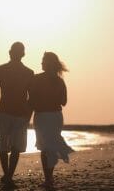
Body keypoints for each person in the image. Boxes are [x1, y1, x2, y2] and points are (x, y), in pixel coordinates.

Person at [0, 42, 34, 188]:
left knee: (10, 146)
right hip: (10, 113)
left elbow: (31, 98)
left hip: (13, 113)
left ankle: (8, 175)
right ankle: (8, 175)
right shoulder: (3, 70)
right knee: (12, 147)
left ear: (11, 52)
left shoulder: (27, 73)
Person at [29, 52, 74, 188]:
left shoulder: (36, 79)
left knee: (45, 147)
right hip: (55, 116)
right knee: (50, 146)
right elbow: (64, 102)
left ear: (48, 63)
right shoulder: (59, 81)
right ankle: (49, 178)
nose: (41, 63)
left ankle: (48, 179)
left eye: (43, 61)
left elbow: (31, 100)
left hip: (42, 116)